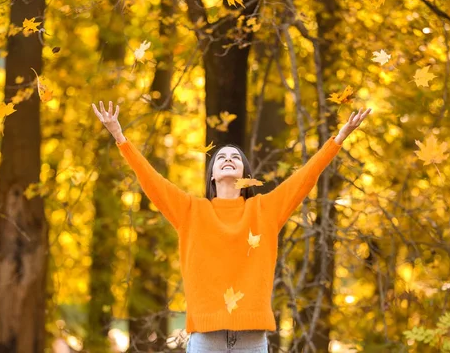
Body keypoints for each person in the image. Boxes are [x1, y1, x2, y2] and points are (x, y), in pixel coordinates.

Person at [92, 101, 371, 353]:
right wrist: (120, 136)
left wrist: (339, 138)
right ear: (212, 176)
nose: (228, 159)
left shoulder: (264, 209)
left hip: (252, 340)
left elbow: (305, 178)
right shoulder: (190, 211)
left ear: (245, 175)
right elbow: (151, 180)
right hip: (205, 339)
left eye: (235, 158)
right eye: (221, 158)